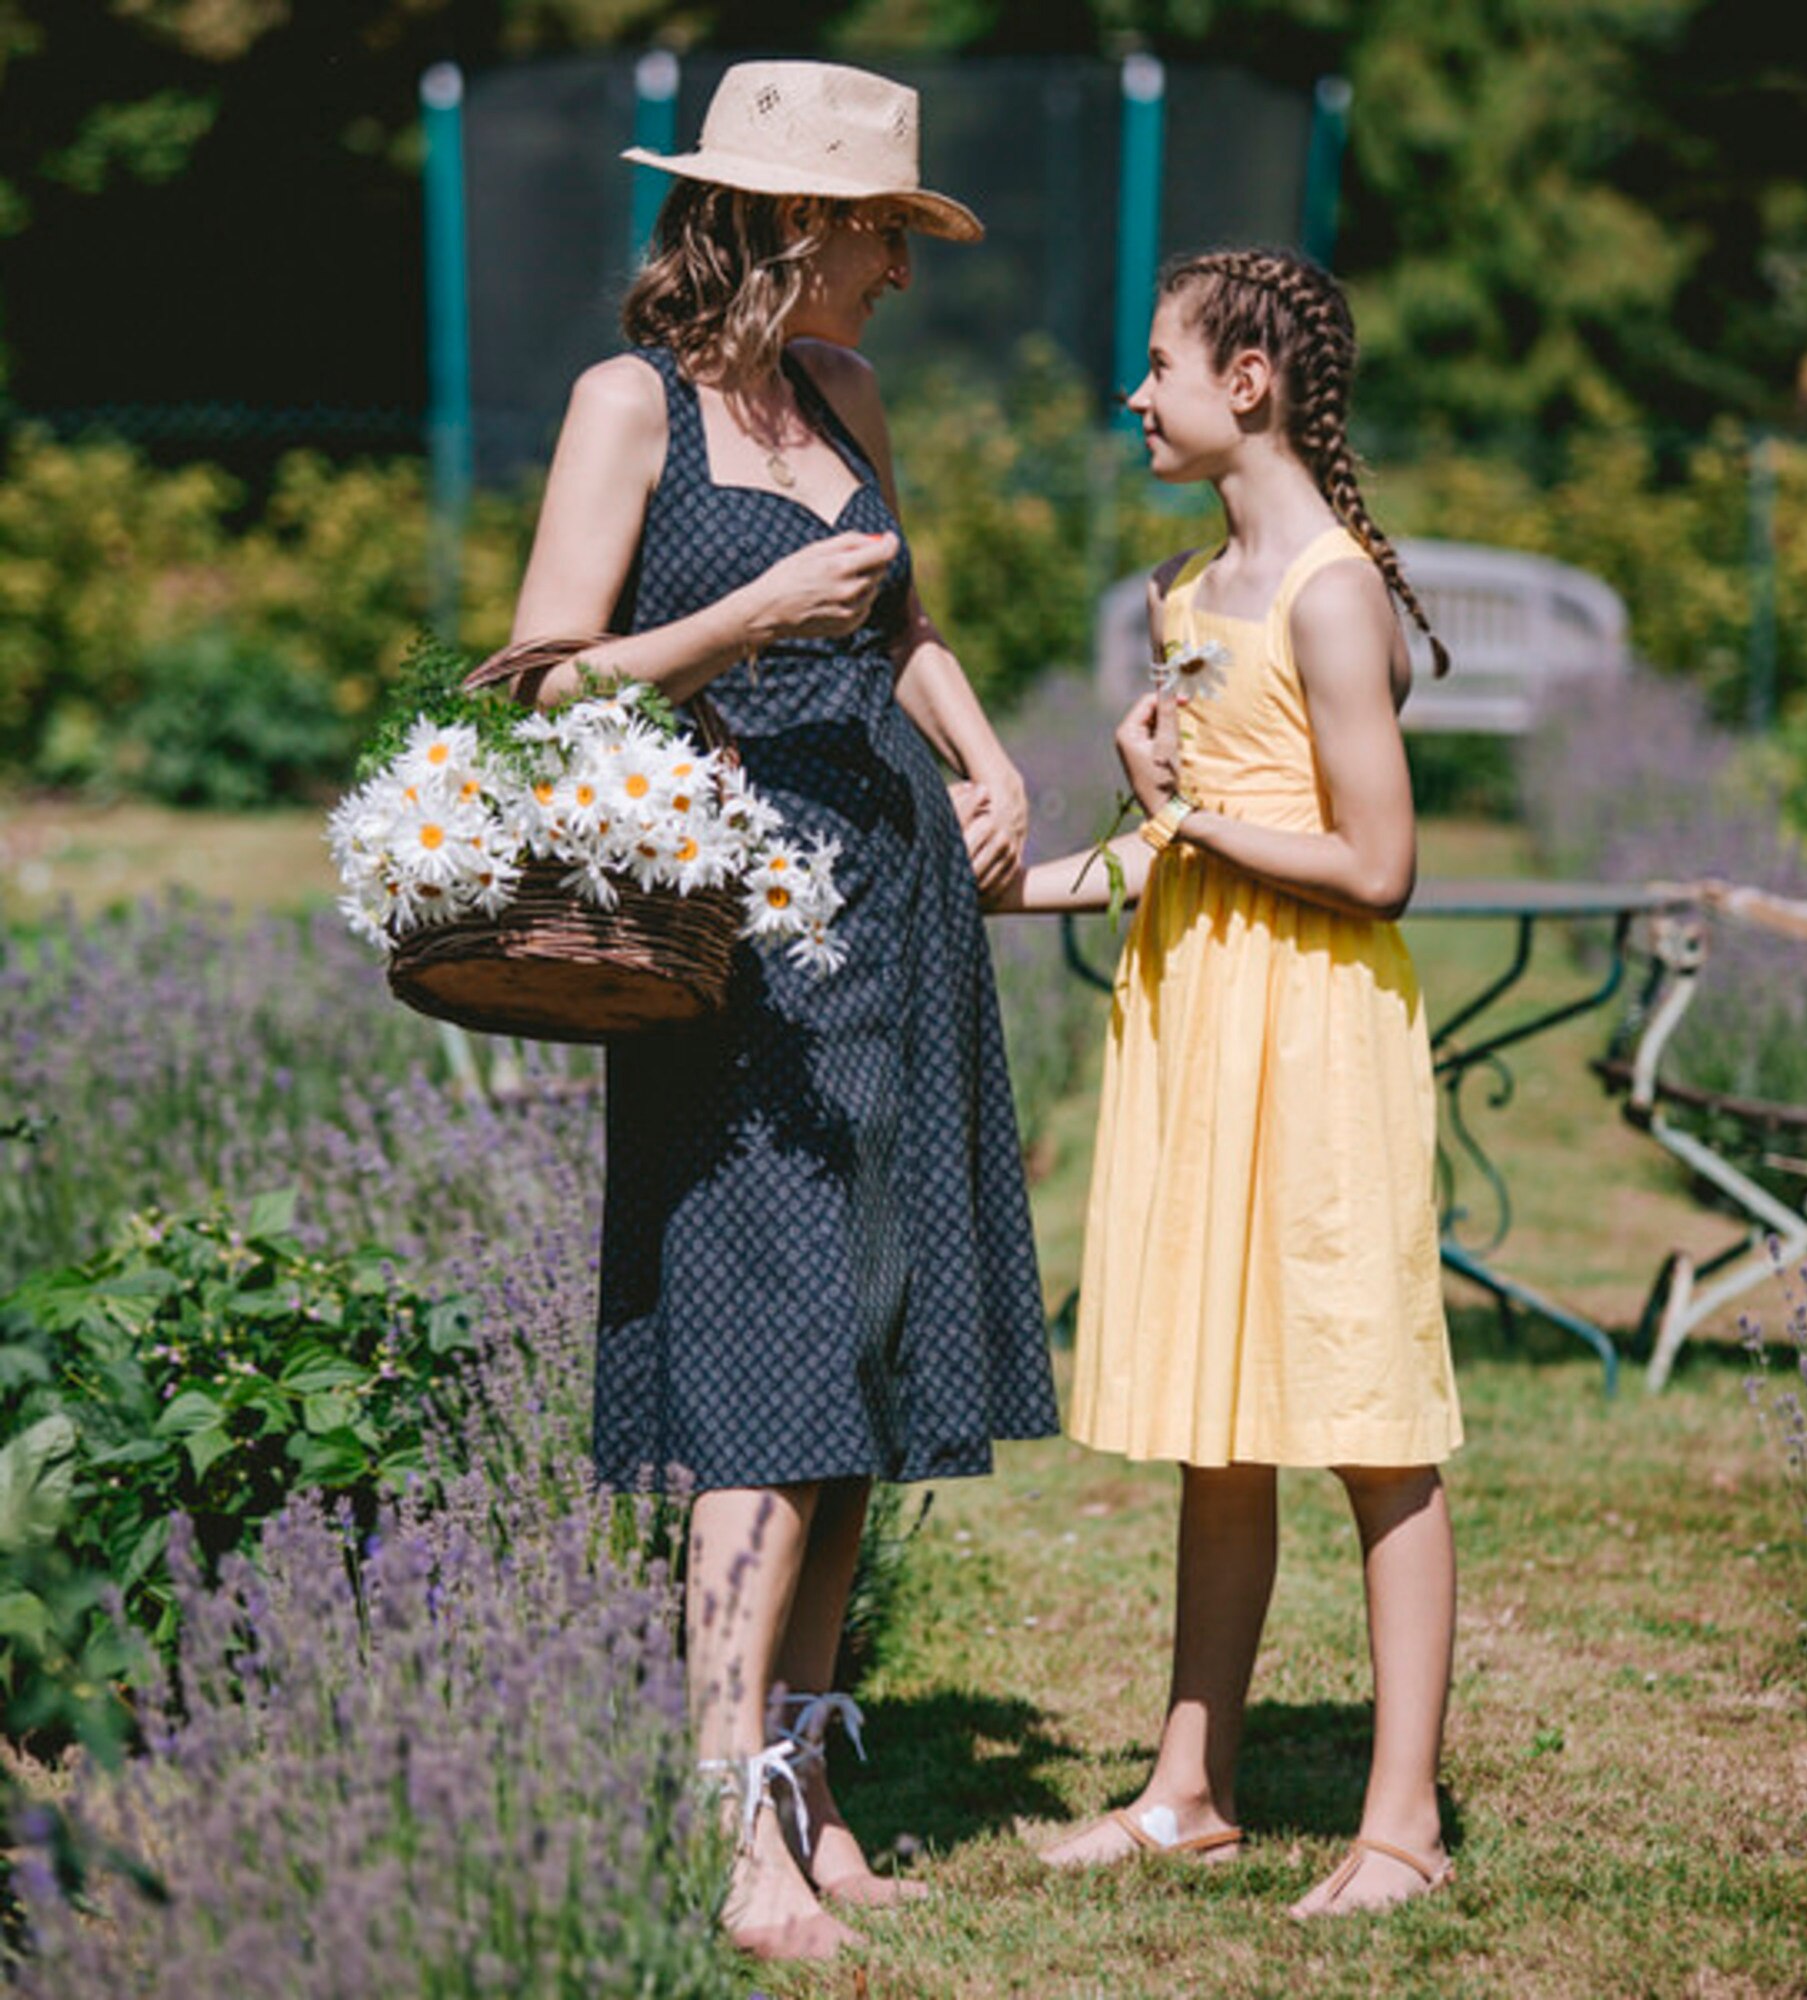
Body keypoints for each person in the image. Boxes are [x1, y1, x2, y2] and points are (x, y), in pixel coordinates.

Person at [505, 60, 1059, 1962]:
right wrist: (736, 627)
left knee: (865, 1338)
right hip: (734, 932)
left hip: (895, 905)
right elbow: (544, 682)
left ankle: (811, 1785)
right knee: (762, 1353)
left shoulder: (844, 396)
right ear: (797, 225)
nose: (902, 274)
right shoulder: (628, 405)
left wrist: (990, 761)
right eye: (884, 236)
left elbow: (905, 628)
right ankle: (725, 1829)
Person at [995, 245, 1463, 1917]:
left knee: (1374, 1429)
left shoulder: (1333, 596)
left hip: (1319, 1032)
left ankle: (1402, 1827)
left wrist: (1182, 815)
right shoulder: (1180, 597)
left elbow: (1378, 864)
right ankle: (1188, 1794)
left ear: (1247, 382)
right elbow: (1165, 853)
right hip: (1201, 1023)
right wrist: (1006, 886)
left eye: (1159, 364)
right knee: (1221, 1421)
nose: (1133, 394)